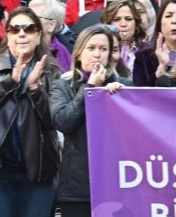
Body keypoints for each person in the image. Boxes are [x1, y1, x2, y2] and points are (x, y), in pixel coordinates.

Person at [0, 9, 61, 217]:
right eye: (15, 29)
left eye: (29, 29)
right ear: (7, 35)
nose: (22, 34)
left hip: (38, 172)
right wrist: (10, 82)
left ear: (39, 35)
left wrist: (35, 89)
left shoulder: (51, 71)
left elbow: (53, 121)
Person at [50, 26, 129, 217]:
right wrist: (91, 88)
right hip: (77, 188)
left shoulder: (124, 86)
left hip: (115, 185)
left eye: (103, 49)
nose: (97, 54)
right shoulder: (62, 85)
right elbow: (63, 122)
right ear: (78, 53)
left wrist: (119, 98)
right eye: (91, 48)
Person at [132, 0, 176, 87]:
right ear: (160, 24)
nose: (174, 21)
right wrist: (162, 66)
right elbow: (141, 93)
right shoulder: (144, 56)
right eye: (168, 16)